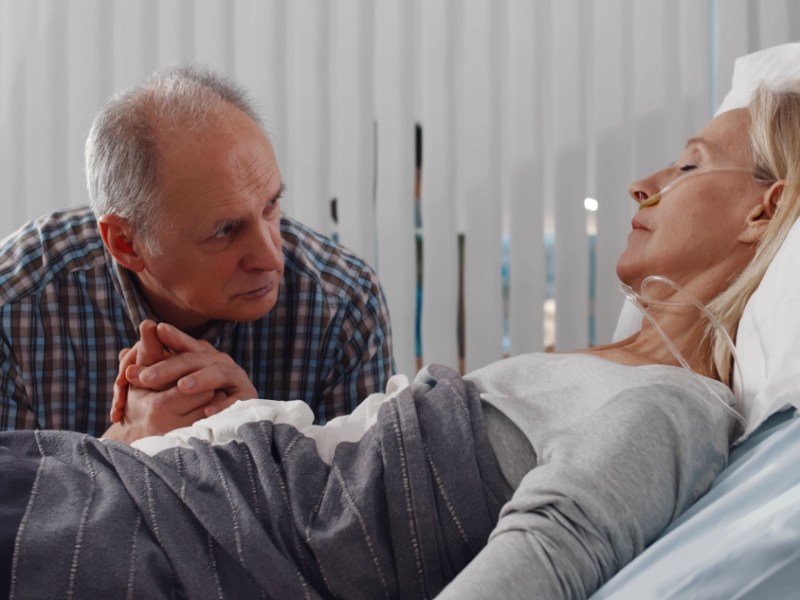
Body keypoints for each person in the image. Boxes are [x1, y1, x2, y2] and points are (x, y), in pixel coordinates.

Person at [3, 79, 798, 598]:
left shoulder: (673, 408)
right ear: (129, 244)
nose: (645, 183)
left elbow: (547, 556)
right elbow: (347, 471)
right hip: (206, 491)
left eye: (690, 165)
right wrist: (172, 432)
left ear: (767, 210)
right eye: (224, 230)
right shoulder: (613, 371)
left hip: (219, 531)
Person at [0, 66, 395, 438]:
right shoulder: (14, 310)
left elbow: (362, 508)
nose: (272, 259)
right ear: (126, 243)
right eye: (224, 231)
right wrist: (123, 446)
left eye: (271, 206)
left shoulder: (342, 305)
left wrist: (262, 439)